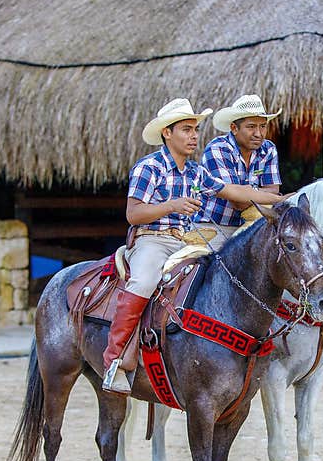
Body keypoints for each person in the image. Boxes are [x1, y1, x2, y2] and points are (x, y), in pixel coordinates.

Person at [102, 98, 286, 394]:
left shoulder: (196, 172)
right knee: (145, 280)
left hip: (184, 241)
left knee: (219, 277)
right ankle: (116, 360)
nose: (194, 136)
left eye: (195, 130)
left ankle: (197, 352)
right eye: (186, 130)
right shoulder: (148, 168)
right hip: (152, 240)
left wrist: (281, 200)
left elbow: (233, 191)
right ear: (167, 133)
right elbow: (133, 214)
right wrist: (171, 205)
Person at [195, 94, 283, 250]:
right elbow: (237, 201)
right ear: (234, 128)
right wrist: (271, 198)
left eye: (262, 126)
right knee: (207, 268)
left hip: (253, 225)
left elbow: (273, 191)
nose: (259, 133)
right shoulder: (218, 148)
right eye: (251, 127)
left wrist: (246, 193)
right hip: (214, 227)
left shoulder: (268, 149)